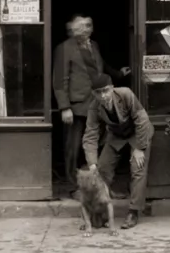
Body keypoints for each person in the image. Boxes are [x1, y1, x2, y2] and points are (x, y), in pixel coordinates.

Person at [53, 14, 131, 193]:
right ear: (73, 29)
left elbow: (101, 67)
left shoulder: (94, 45)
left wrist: (119, 74)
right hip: (76, 105)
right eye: (83, 26)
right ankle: (73, 186)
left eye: (90, 25)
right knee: (73, 148)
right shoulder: (64, 48)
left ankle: (97, 182)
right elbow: (59, 80)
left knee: (99, 142)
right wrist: (65, 107)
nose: (88, 29)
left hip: (97, 103)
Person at [83, 73, 154, 230]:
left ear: (112, 88)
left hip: (138, 132)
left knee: (138, 168)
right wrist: (92, 163)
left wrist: (140, 148)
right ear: (93, 94)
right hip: (117, 135)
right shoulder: (94, 107)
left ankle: (134, 212)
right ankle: (99, 214)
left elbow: (142, 120)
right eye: (98, 92)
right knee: (101, 170)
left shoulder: (126, 94)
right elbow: (90, 135)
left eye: (106, 91)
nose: (103, 96)